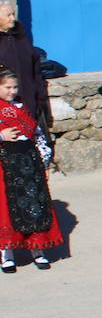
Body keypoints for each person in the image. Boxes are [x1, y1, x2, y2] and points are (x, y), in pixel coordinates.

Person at [0, 67, 62, 272]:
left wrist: (42, 160)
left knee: (34, 207)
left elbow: (37, 133)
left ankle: (37, 250)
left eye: (15, 86)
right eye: (7, 87)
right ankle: (6, 255)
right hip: (5, 166)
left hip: (28, 163)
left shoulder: (22, 106)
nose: (12, 91)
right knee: (6, 210)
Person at [0, 3, 49, 128]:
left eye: (13, 14)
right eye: (8, 15)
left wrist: (41, 101)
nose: (12, 18)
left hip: (27, 99)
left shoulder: (21, 39)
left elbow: (36, 72)